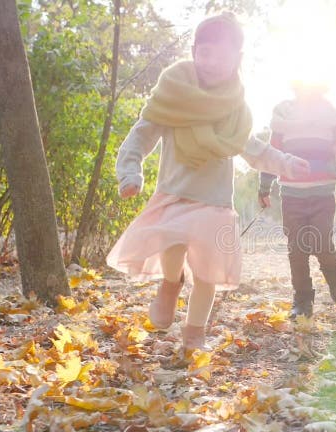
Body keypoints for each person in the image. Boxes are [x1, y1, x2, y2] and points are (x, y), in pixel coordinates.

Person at [106, 13, 310, 351]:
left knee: (208, 274)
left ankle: (194, 333)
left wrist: (287, 164)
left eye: (223, 55)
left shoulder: (235, 110)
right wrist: (130, 173)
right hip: (174, 194)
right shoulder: (173, 94)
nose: (212, 62)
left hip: (214, 203)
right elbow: (140, 137)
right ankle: (171, 283)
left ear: (238, 60)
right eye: (205, 52)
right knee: (172, 246)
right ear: (193, 51)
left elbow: (254, 149)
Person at [257, 80, 336, 318]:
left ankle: (334, 276)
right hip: (292, 193)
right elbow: (273, 153)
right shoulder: (284, 114)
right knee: (297, 248)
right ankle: (302, 299)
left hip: (323, 191)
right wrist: (264, 186)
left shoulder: (330, 114)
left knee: (321, 240)